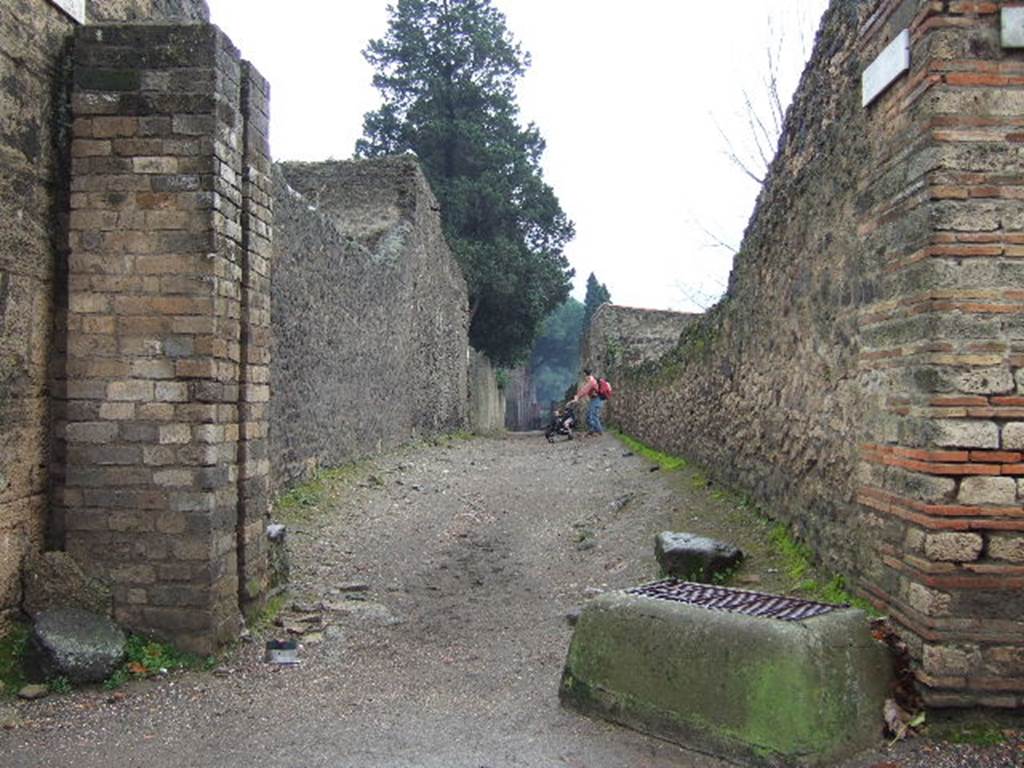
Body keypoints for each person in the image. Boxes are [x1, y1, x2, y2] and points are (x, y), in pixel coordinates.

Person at [571, 368, 606, 436]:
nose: (584, 377)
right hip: (595, 400)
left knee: (592, 415)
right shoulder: (591, 380)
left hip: (597, 399)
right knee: (590, 415)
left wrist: (577, 397)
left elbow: (585, 390)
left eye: (584, 375)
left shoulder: (591, 381)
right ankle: (593, 430)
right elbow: (585, 389)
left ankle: (599, 431)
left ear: (585, 374)